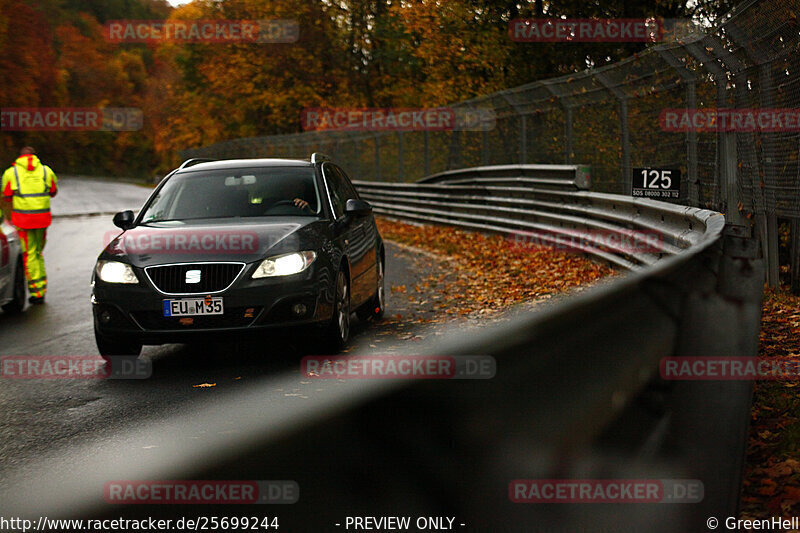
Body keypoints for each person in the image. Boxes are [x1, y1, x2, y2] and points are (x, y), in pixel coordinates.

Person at [1, 147, 58, 304]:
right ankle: (40, 288)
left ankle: (37, 291)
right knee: (37, 253)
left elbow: (6, 196)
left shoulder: (11, 173)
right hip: (42, 221)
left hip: (23, 222)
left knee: (29, 254)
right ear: (34, 156)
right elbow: (53, 191)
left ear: (21, 157)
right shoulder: (46, 171)